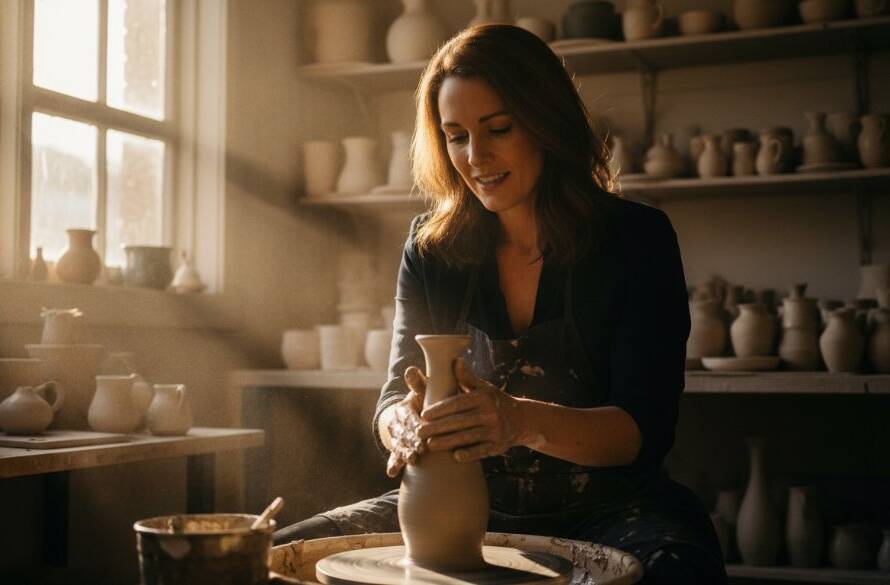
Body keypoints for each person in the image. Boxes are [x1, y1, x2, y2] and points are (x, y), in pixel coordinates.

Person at [275, 24, 726, 584]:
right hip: (458, 507)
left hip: (609, 510)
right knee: (275, 556)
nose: (475, 156)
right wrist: (402, 426)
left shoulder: (634, 239)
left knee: (675, 571)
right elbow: (394, 394)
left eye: (498, 129)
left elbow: (644, 428)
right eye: (455, 135)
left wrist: (517, 420)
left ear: (545, 121)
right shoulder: (432, 248)